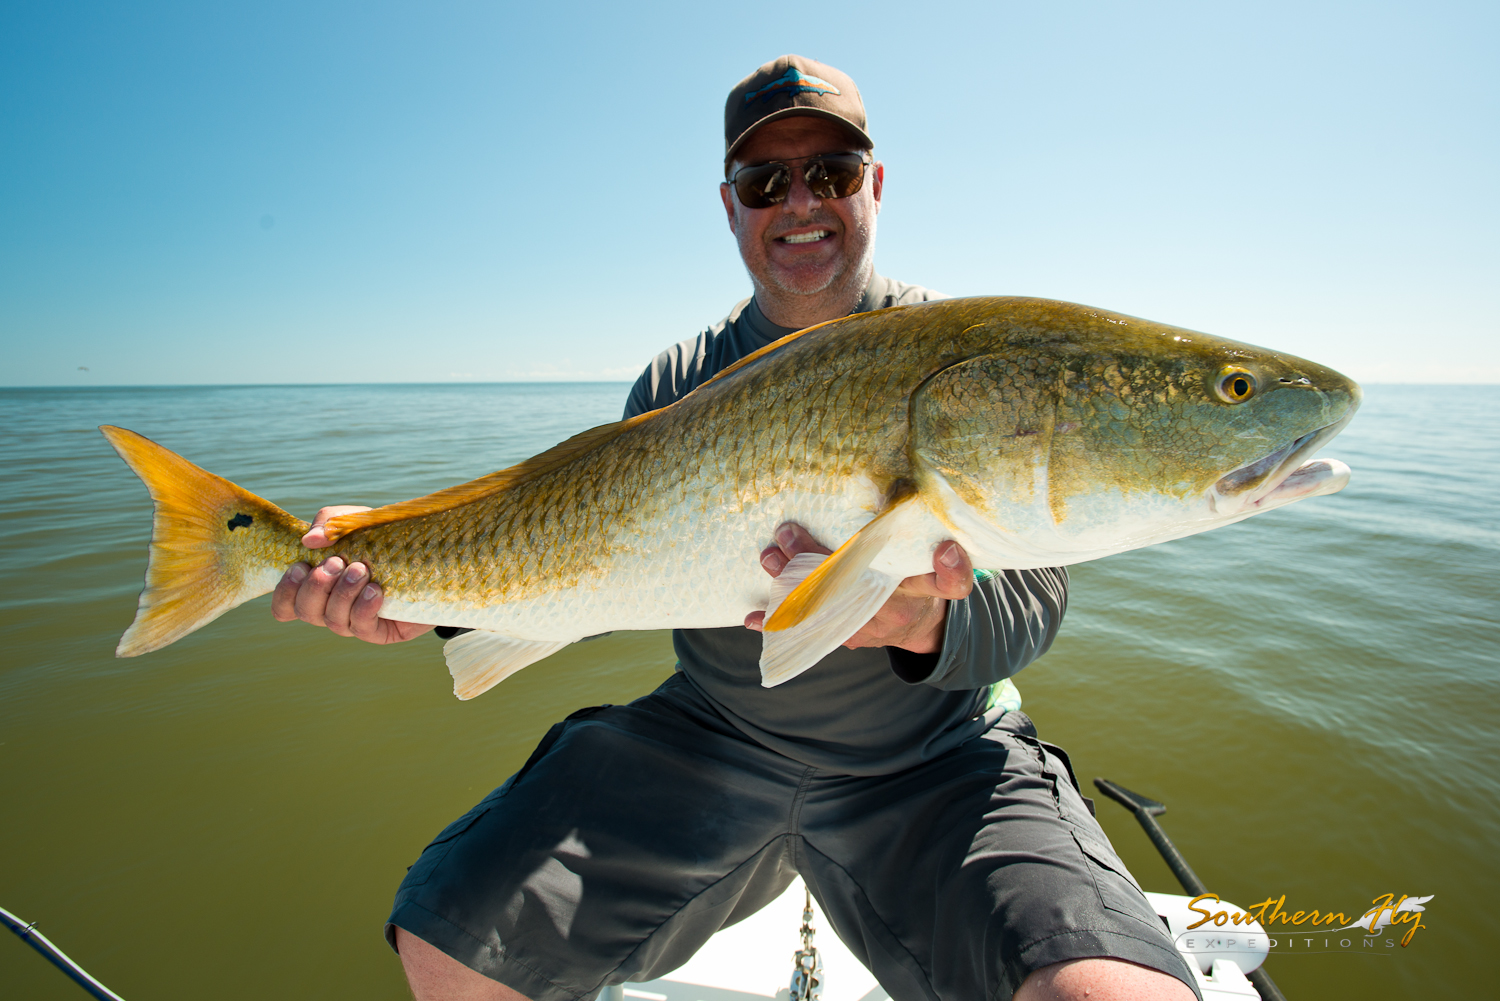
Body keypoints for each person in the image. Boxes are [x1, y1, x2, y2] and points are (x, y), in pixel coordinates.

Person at [273, 55, 1199, 1001]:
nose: (801, 201)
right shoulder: (680, 378)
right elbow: (580, 548)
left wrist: (915, 623)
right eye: (766, 182)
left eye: (831, 172)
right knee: (449, 944)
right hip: (713, 740)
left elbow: (1036, 601)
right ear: (731, 207)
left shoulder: (963, 354)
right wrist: (415, 592)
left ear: (874, 186)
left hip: (933, 758)